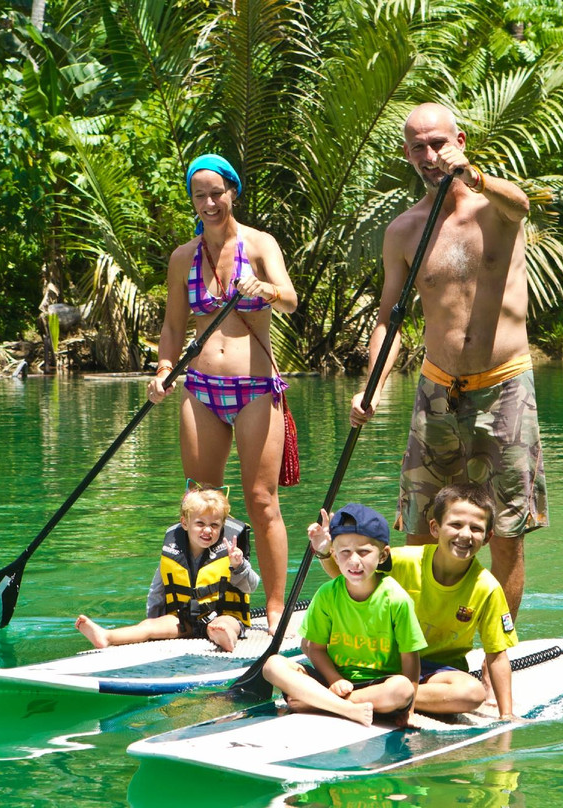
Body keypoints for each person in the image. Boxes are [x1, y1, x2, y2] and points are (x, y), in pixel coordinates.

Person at [349, 102, 547, 621]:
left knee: (505, 531)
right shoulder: (404, 231)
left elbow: (522, 204)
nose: (430, 156)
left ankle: (498, 646)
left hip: (503, 386)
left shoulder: (496, 210)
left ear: (459, 140)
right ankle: (423, 642)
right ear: (406, 154)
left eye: (439, 143)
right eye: (418, 147)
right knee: (420, 527)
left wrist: (474, 175)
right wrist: (371, 388)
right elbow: (390, 319)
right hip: (437, 390)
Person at [148, 154, 298, 632]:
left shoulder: (259, 244)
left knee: (261, 499)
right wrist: (165, 368)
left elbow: (291, 299)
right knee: (201, 500)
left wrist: (266, 289)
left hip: (255, 387)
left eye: (218, 193)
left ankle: (273, 606)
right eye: (199, 195)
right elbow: (173, 325)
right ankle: (203, 603)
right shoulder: (183, 256)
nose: (209, 203)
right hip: (200, 387)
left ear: (233, 192)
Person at [310, 483, 518, 720]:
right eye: (456, 525)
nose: (465, 535)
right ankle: (384, 696)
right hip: (383, 661)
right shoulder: (403, 560)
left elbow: (497, 655)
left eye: (476, 528)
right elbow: (348, 576)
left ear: (488, 536)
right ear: (435, 528)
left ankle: (369, 698)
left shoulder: (487, 587)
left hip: (436, 672)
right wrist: (326, 552)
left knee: (471, 693)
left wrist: (507, 714)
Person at [263, 503, 426, 727]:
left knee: (402, 688)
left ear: (382, 555)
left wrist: (411, 710)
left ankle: (317, 704)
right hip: (335, 681)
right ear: (335, 556)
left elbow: (411, 660)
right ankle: (347, 709)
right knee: (273, 665)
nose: (354, 561)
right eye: (345, 552)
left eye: (364, 551)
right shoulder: (327, 594)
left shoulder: (396, 599)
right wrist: (335, 679)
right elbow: (315, 649)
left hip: (378, 686)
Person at [75, 486, 259, 652]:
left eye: (214, 525)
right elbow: (157, 590)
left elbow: (251, 586)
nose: (207, 530)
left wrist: (238, 566)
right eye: (200, 524)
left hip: (223, 616)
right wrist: (155, 620)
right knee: (148, 626)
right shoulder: (174, 550)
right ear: (185, 523)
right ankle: (106, 637)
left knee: (222, 626)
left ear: (222, 526)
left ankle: (226, 639)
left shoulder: (232, 552)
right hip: (184, 619)